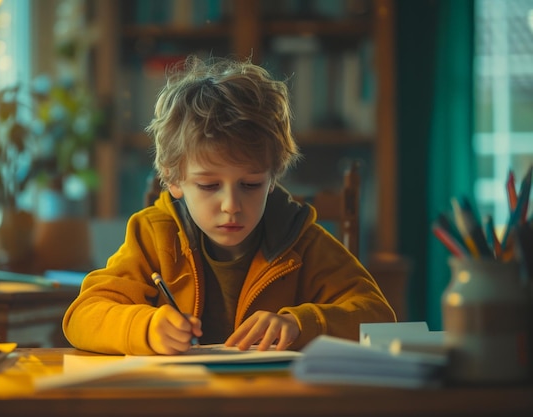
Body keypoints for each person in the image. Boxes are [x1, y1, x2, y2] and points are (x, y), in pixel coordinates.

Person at [62, 55, 396, 355]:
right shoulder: (154, 235)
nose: (231, 205)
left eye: (251, 184)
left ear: (273, 177)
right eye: (208, 185)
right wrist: (144, 327)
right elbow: (82, 316)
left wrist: (300, 324)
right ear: (173, 179)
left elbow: (378, 317)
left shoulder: (301, 240)